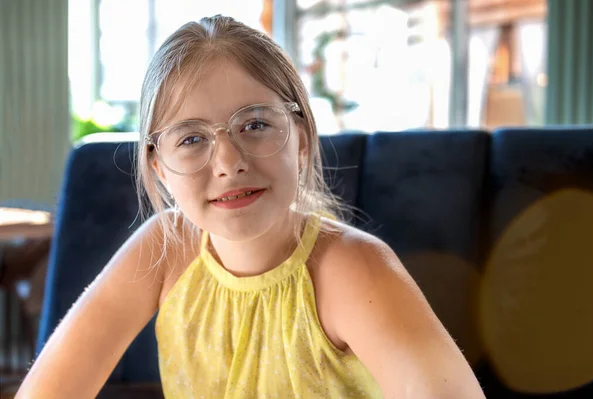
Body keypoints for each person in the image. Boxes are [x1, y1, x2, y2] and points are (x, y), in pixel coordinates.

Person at [16, 15, 485, 398]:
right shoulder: (164, 249)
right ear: (159, 167)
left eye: (255, 125)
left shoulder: (352, 268)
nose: (228, 163)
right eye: (192, 138)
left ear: (300, 139)